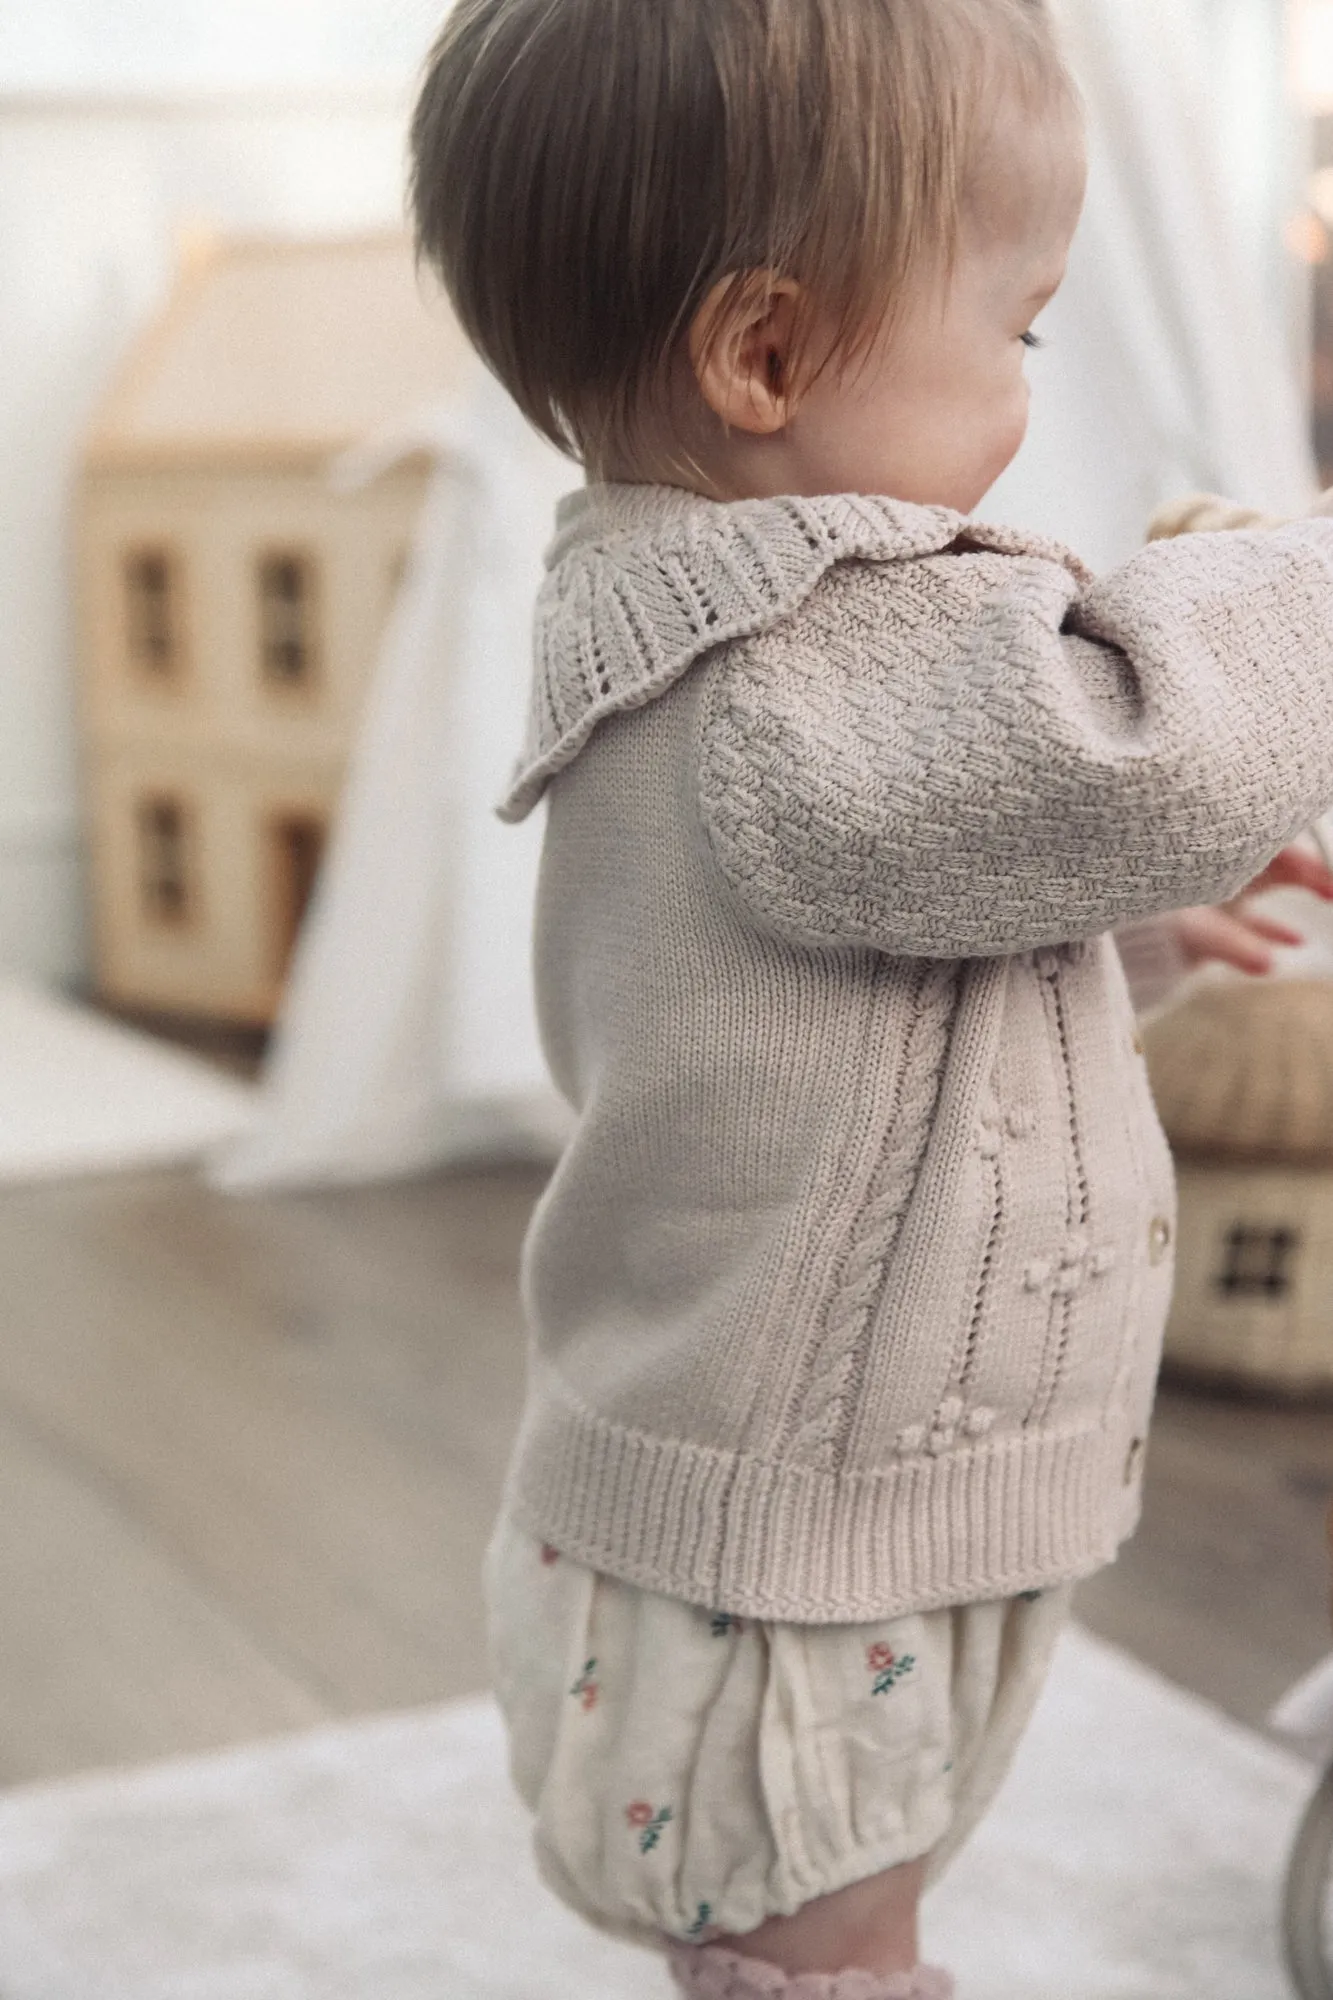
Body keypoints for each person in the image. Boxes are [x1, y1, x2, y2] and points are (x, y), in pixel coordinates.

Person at [410, 2, 1333, 1991]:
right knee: (821, 1951)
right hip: (787, 1552)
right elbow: (1133, 749)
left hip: (829, 1519)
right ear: (765, 353)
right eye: (1018, 327)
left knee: (828, 1918)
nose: (1025, 385)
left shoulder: (761, 655)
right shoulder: (799, 645)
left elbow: (868, 973)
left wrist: (1144, 936)